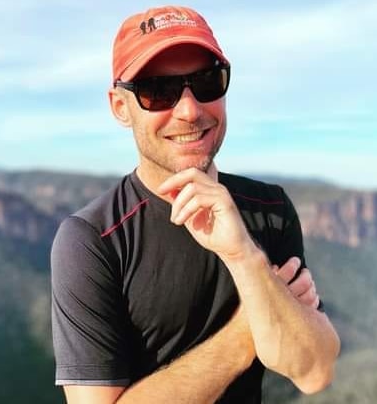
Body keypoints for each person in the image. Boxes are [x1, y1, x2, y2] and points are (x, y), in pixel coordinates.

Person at [50, 5, 340, 403]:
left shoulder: (268, 209)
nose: (189, 110)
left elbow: (315, 371)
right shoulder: (92, 241)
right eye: (158, 90)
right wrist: (248, 331)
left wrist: (244, 257)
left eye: (207, 81)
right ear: (120, 107)